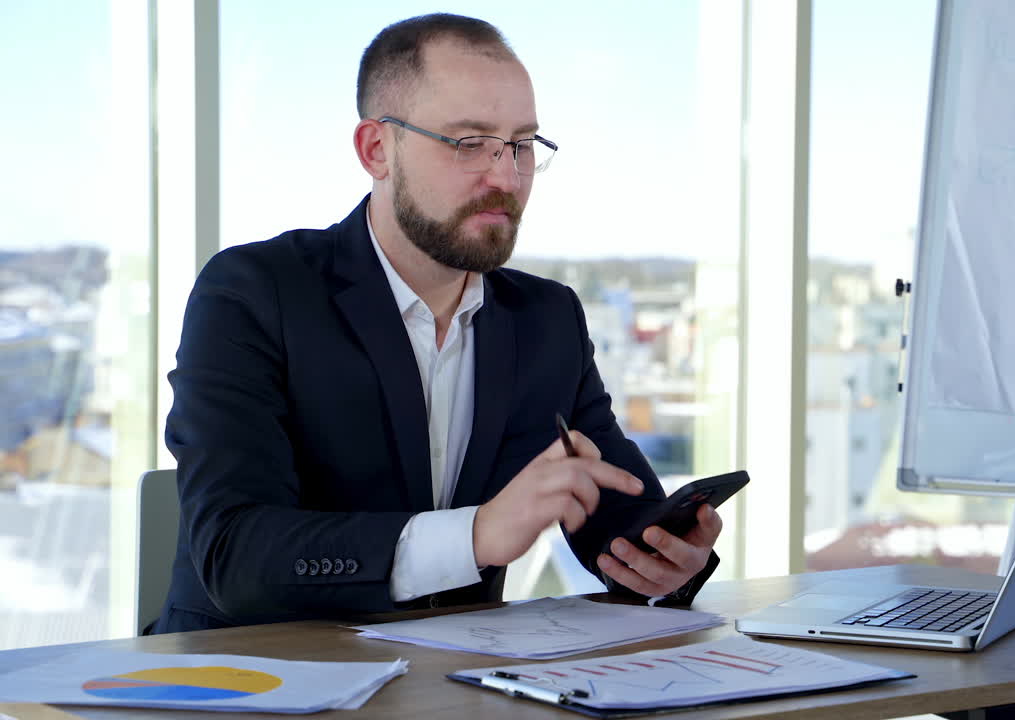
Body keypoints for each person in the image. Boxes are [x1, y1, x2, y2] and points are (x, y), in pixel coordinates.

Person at [152, 13, 722, 634]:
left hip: (455, 683)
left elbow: (618, 523)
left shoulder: (547, 319)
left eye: (522, 144)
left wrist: (667, 562)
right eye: (468, 142)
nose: (506, 177)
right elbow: (234, 554)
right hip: (245, 680)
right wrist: (476, 535)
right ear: (377, 150)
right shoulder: (253, 293)